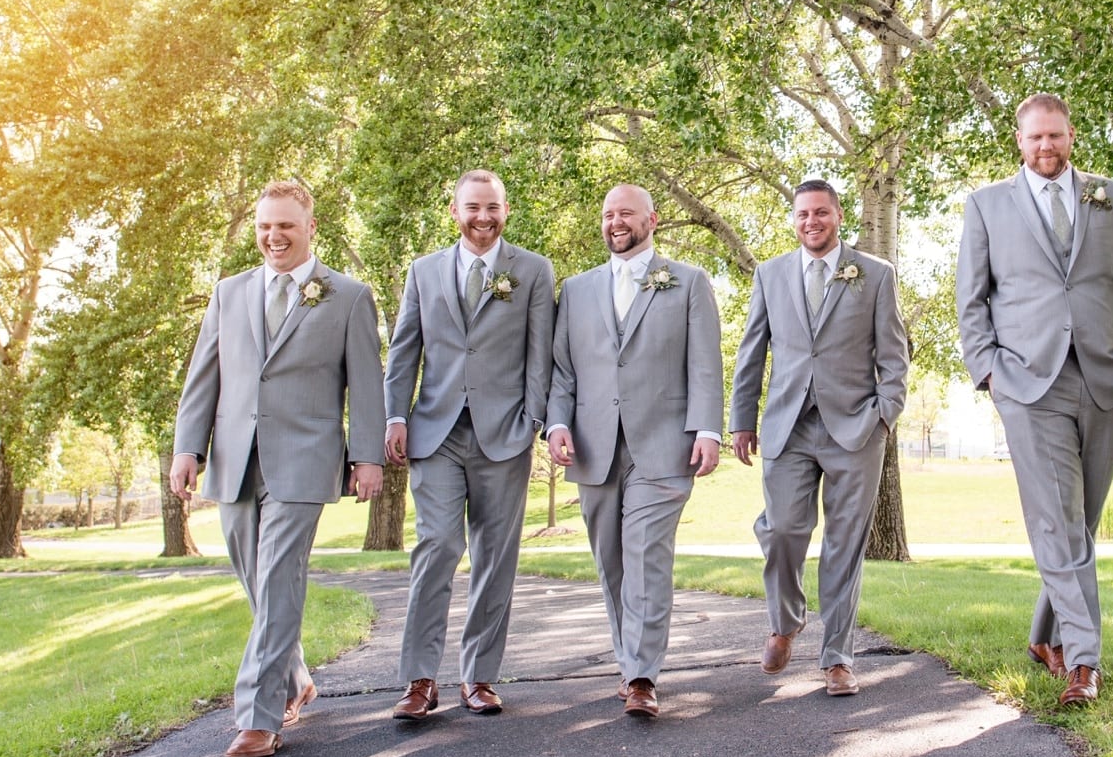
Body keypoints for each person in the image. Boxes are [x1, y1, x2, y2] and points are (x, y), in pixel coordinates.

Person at [171, 181, 386, 757]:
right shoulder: (229, 292)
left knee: (277, 576)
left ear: (311, 227)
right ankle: (296, 679)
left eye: (286, 225)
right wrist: (186, 447)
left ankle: (258, 717)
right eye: (266, 226)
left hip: (306, 456)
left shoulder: (347, 295)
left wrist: (367, 456)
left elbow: (367, 384)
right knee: (256, 579)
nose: (274, 236)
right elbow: (203, 376)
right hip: (235, 457)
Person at [955, 94, 1113, 708]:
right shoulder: (987, 205)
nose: (1047, 147)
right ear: (1019, 140)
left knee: (1079, 522)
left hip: (1105, 379)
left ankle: (1045, 636)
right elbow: (973, 298)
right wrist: (989, 370)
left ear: (1073, 136)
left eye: (1057, 137)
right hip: (1027, 382)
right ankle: (1084, 661)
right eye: (1036, 138)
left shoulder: (1111, 197)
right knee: (1057, 522)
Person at [383, 170, 555, 720]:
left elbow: (539, 352)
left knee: (495, 557)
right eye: (473, 207)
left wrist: (534, 419)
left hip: (504, 433)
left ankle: (479, 675)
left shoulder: (532, 270)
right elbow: (404, 350)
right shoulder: (423, 270)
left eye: (493, 208)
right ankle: (419, 678)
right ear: (454, 210)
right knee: (437, 546)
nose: (484, 217)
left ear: (507, 210)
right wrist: (394, 416)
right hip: (435, 432)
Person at [547, 184, 723, 719]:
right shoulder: (576, 290)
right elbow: (562, 370)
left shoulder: (688, 282)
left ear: (652, 219)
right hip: (593, 445)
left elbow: (705, 363)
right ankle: (630, 663)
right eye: (607, 214)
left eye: (625, 212)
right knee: (611, 563)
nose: (615, 222)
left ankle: (643, 675)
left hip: (664, 443)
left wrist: (708, 430)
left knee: (646, 555)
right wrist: (556, 422)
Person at [730, 180, 909, 697]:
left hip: (856, 426)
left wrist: (885, 415)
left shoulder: (874, 275)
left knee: (845, 544)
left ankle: (837, 657)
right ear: (794, 219)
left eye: (822, 213)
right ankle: (785, 622)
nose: (812, 222)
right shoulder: (770, 273)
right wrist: (742, 420)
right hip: (788, 425)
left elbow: (894, 355)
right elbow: (751, 353)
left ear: (838, 215)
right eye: (803, 214)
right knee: (783, 528)